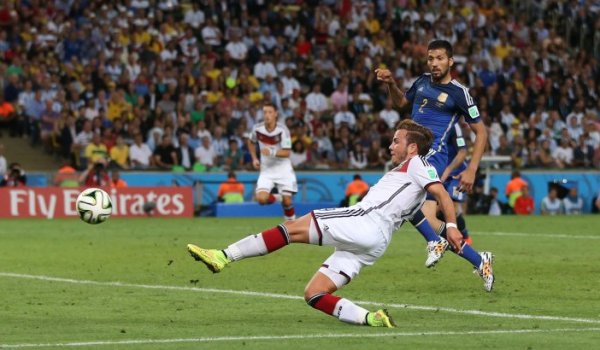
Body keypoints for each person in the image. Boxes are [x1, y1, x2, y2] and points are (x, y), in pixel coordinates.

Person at [187, 120, 485, 328]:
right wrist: (436, 235)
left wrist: (451, 227)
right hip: (375, 243)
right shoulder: (408, 174)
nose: (390, 144)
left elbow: (442, 193)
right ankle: (371, 318)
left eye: (396, 140)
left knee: (291, 228)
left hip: (364, 222)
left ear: (411, 148)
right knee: (314, 294)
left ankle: (223, 257)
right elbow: (418, 209)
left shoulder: (418, 164)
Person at [376, 39, 488, 271]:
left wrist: (471, 169)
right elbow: (401, 103)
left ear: (450, 61)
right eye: (430, 58)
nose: (434, 63)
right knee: (419, 213)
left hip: (433, 155)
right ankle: (478, 260)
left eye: (439, 58)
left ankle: (436, 240)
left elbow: (481, 132)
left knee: (404, 203)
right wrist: (390, 84)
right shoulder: (422, 81)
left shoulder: (460, 93)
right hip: (413, 154)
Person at [246, 102, 297, 220]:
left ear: (275, 114)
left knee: (288, 202)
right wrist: (254, 158)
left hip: (283, 169)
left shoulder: (283, 130)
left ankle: (292, 225)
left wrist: (272, 152)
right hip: (267, 170)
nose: (267, 115)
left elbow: (287, 152)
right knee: (261, 199)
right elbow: (250, 142)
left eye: (270, 112)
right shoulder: (257, 129)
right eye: (265, 112)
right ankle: (279, 197)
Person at [437, 123, 472, 244]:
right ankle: (443, 240)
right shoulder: (431, 123)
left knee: (452, 207)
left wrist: (447, 171)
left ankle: (466, 238)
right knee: (436, 211)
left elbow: (462, 152)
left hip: (457, 175)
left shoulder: (454, 126)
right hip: (439, 174)